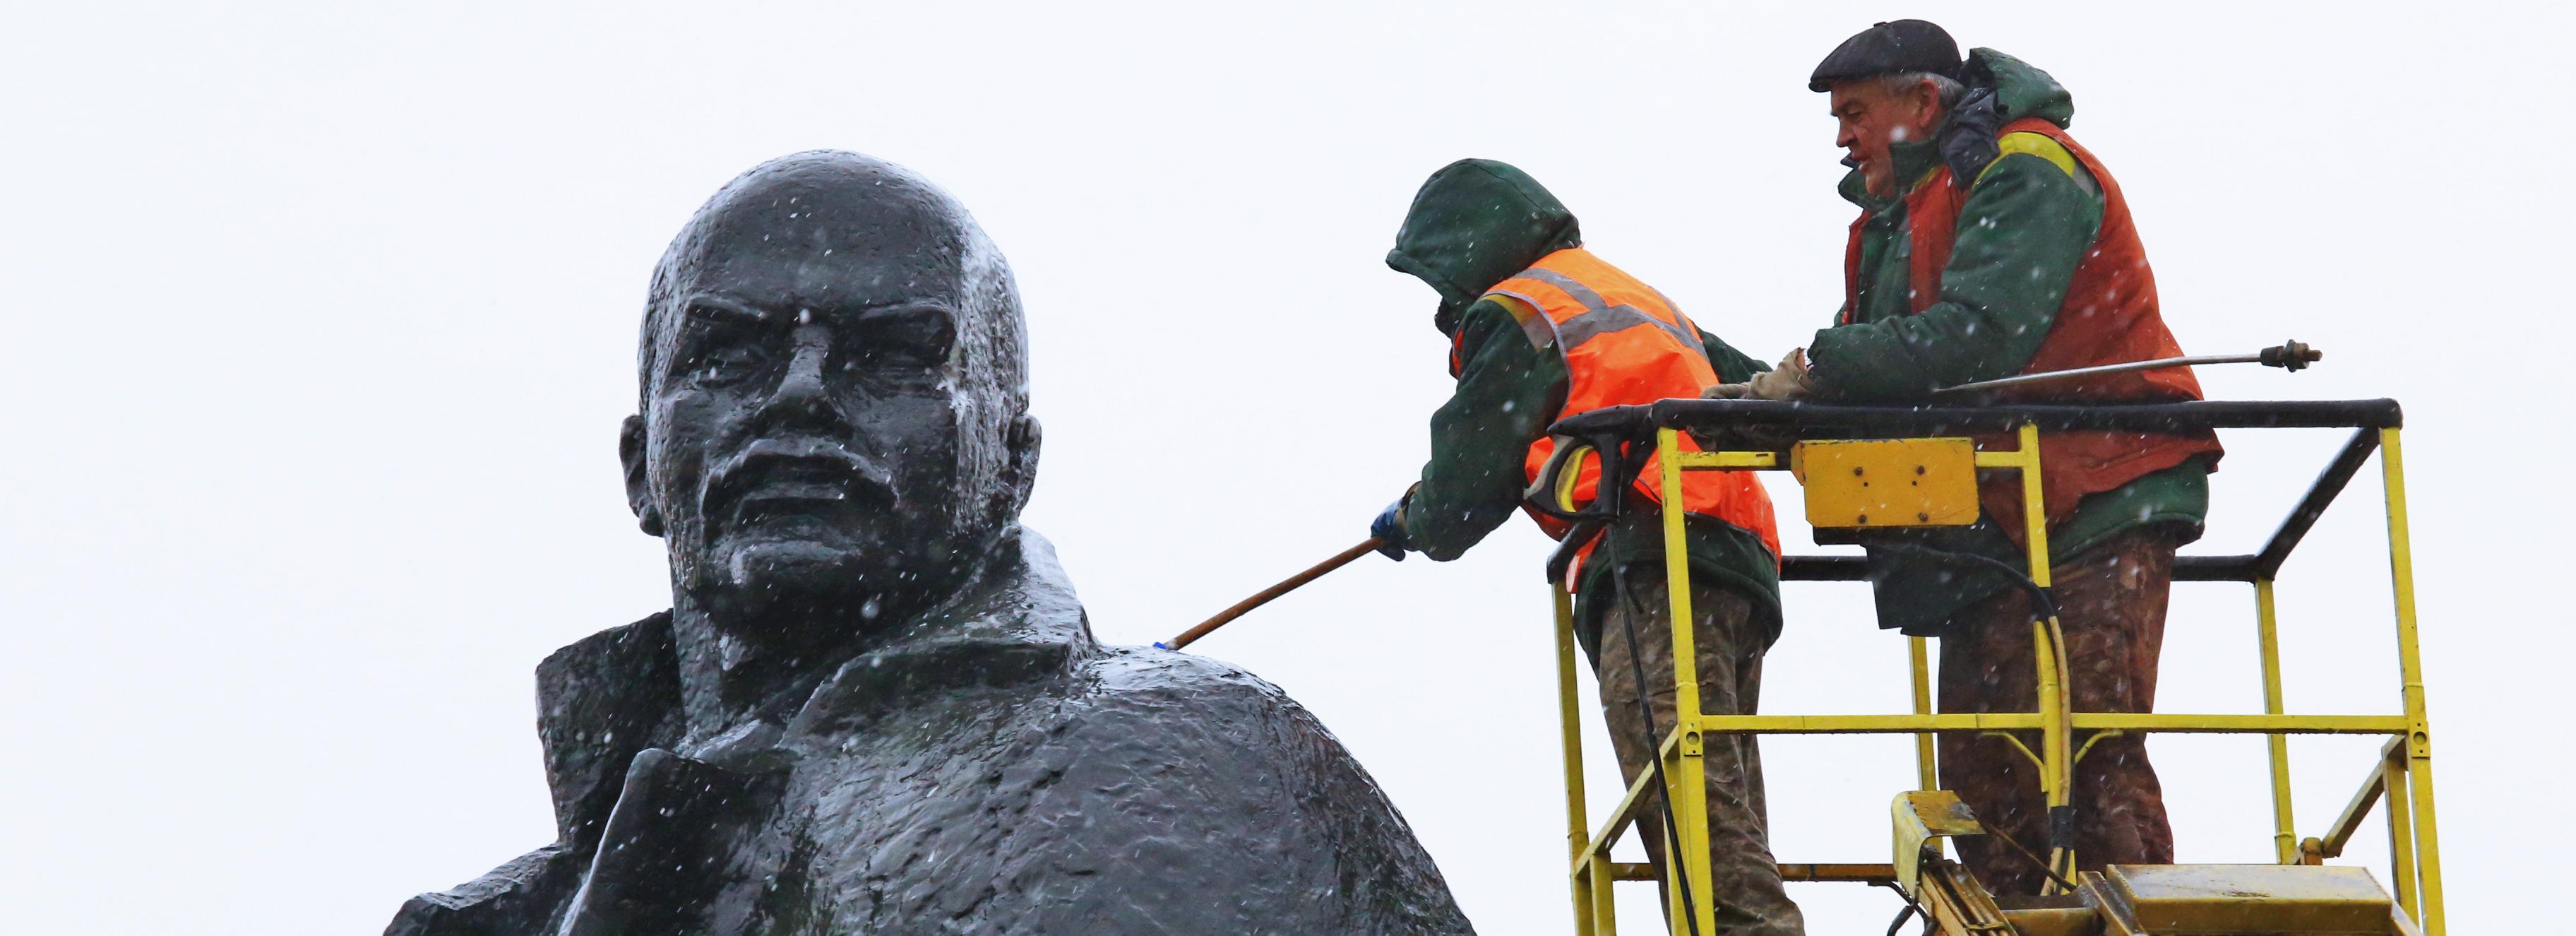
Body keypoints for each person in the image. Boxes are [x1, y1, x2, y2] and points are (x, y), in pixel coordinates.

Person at [386, 151, 1475, 935]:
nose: (799, 395)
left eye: (893, 356)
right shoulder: (497, 917)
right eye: (730, 355)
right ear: (641, 465)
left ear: (1013, 465)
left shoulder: (1187, 760)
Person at [1710, 20, 2226, 895]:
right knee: (1989, 774)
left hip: (2100, 488)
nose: (1842, 137)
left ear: (1922, 103)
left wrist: (1813, 370)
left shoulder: (2025, 170)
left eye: (1855, 114)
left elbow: (1974, 339)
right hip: (2001, 520)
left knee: (2084, 753)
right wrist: (1770, 402)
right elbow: (1884, 367)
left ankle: (2136, 915)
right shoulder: (1910, 209)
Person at [1371, 158, 1802, 935]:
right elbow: (1755, 395)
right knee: (1717, 787)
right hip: (1736, 553)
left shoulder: (1518, 311)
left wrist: (1414, 517)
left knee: (1686, 801)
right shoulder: (1626, 294)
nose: (1442, 305)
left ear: (1465, 249)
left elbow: (1466, 487)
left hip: (1654, 555)